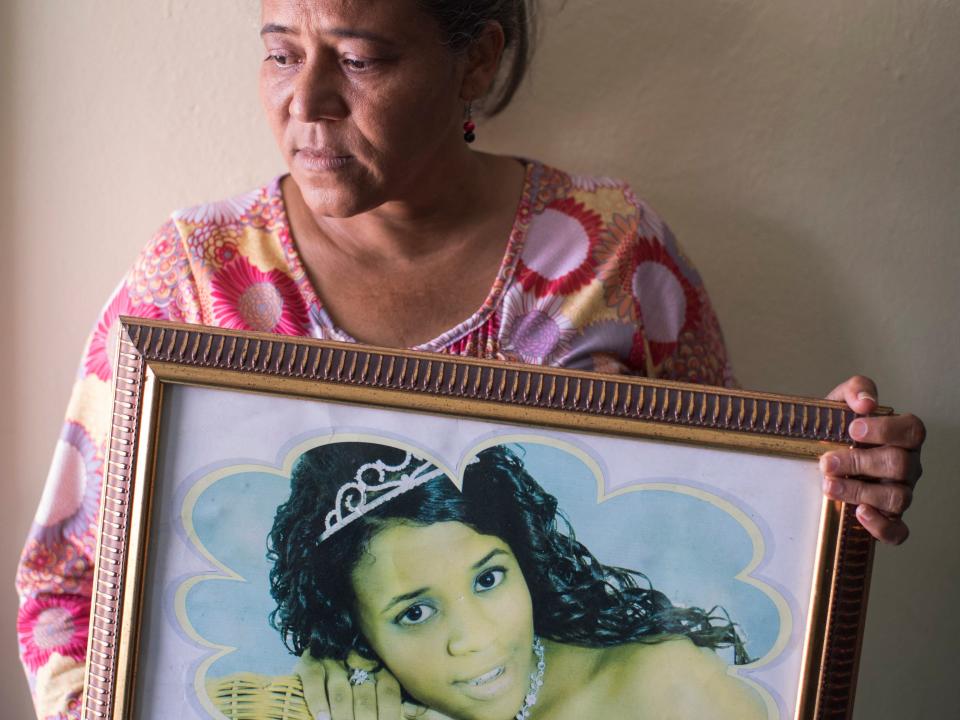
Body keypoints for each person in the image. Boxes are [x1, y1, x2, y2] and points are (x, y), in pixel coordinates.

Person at [15, 1, 925, 718]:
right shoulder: (198, 276)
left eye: (360, 58)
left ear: (476, 63)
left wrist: (831, 478)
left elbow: (716, 490)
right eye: (282, 52)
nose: (307, 100)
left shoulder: (607, 253)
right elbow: (63, 585)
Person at [206, 441, 766, 720]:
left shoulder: (664, 686)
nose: (473, 638)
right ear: (356, 633)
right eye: (415, 613)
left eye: (489, 578)